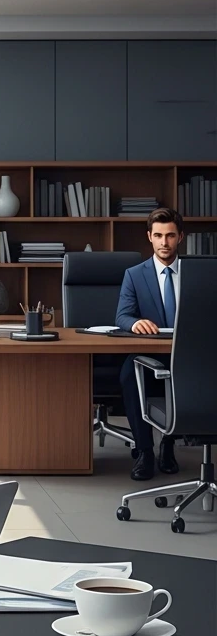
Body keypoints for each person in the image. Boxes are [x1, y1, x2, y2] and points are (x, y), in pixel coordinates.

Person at [115, 206, 183, 481]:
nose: (164, 242)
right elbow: (122, 315)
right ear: (149, 237)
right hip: (148, 351)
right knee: (128, 376)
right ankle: (145, 451)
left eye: (170, 236)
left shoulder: (197, 271)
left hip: (186, 352)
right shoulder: (135, 274)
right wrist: (133, 323)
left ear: (180, 237)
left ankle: (169, 446)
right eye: (158, 235)